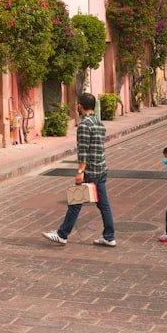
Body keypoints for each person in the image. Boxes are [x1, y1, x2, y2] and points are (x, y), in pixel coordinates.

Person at [43, 93, 116, 247]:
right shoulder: (98, 123)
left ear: (80, 106)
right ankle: (109, 236)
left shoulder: (84, 125)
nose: (76, 106)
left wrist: (80, 172)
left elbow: (83, 151)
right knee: (104, 205)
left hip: (90, 171)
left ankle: (62, 234)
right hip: (101, 169)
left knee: (75, 203)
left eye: (77, 104)